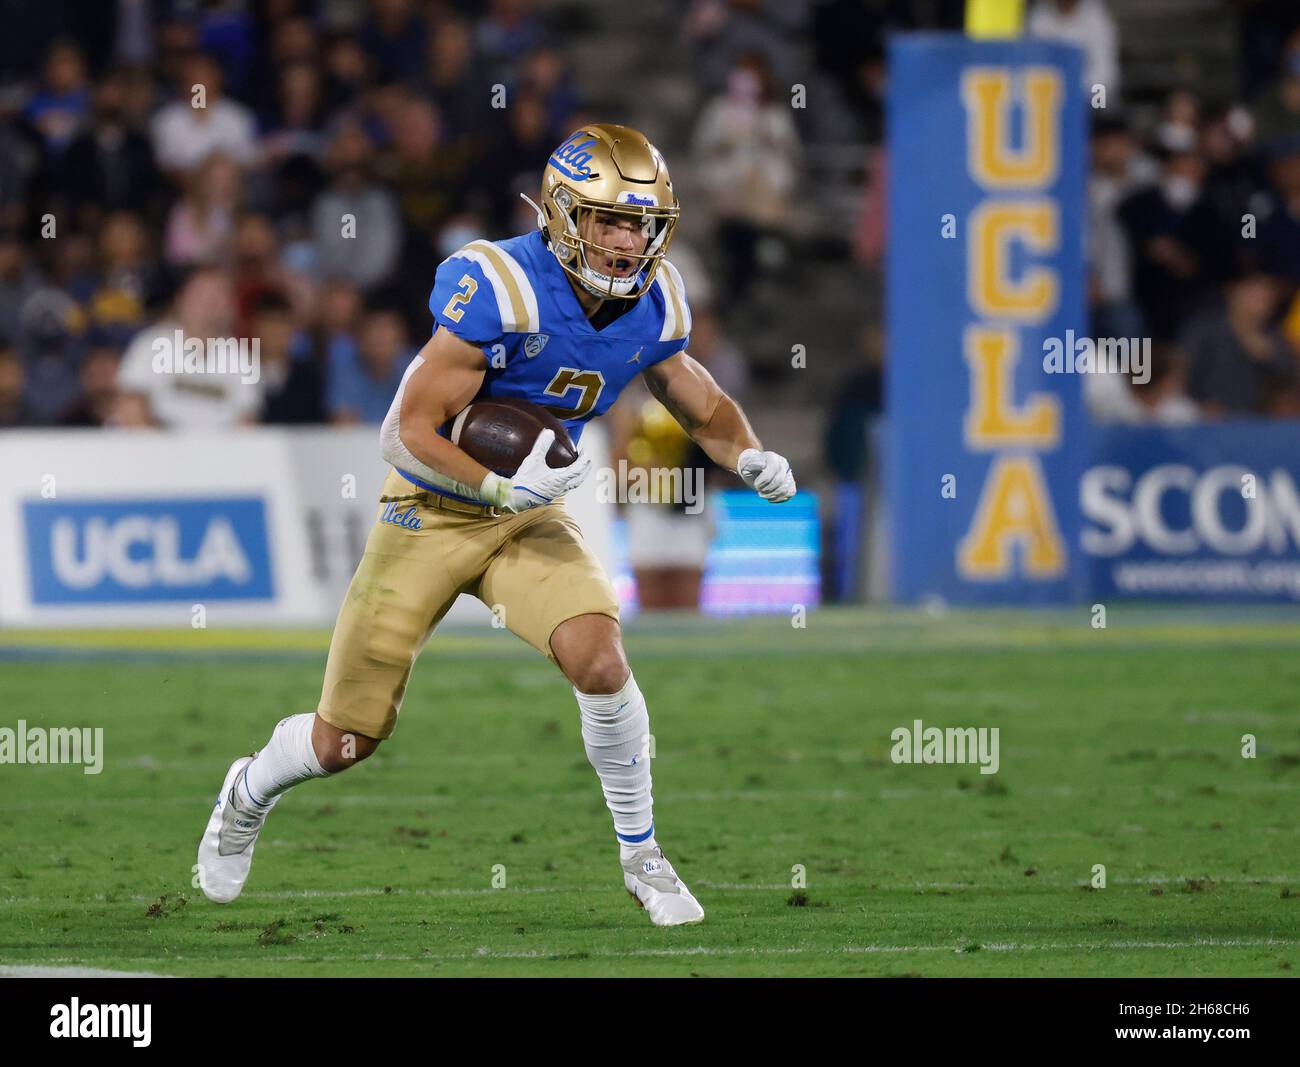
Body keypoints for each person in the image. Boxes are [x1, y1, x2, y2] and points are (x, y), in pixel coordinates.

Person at [197, 124, 797, 926]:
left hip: (526, 516)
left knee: (600, 657)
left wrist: (748, 454)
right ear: (560, 215)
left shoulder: (655, 303)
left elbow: (694, 394)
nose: (627, 242)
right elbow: (402, 432)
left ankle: (642, 853)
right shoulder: (502, 285)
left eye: (642, 225)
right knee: (346, 741)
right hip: (430, 510)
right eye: (608, 220)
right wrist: (491, 482)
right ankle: (248, 789)